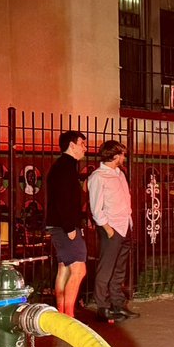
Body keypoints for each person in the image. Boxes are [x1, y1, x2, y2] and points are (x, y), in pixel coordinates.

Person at [87, 140, 139, 322]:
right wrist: (108, 229)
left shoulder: (120, 174)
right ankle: (102, 307)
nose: (124, 157)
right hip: (112, 228)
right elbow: (96, 207)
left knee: (119, 269)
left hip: (124, 226)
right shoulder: (98, 177)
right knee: (106, 268)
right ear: (115, 156)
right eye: (122, 154)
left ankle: (117, 304)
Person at [44, 130, 88, 317]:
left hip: (58, 225)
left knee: (64, 268)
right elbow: (64, 199)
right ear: (72, 145)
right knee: (78, 270)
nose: (85, 148)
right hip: (65, 226)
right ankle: (69, 316)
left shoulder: (61, 166)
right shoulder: (66, 167)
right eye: (82, 143)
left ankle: (62, 314)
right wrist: (70, 227)